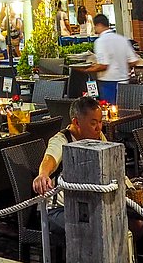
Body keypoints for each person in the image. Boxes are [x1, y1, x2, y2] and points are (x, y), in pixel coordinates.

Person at [32, 96, 107, 241]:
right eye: (93, 123)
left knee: (134, 223)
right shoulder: (61, 140)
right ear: (76, 122)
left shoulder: (97, 137)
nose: (99, 128)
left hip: (86, 204)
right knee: (95, 229)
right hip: (56, 210)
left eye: (100, 122)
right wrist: (43, 175)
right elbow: (50, 158)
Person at [81, 13, 140, 104]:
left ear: (99, 25)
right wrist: (121, 65)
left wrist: (86, 69)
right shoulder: (122, 39)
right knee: (124, 110)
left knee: (109, 111)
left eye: (95, 26)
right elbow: (134, 61)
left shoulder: (100, 41)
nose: (95, 29)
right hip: (124, 82)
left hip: (108, 83)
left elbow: (104, 65)